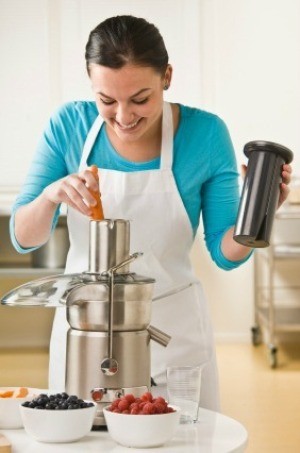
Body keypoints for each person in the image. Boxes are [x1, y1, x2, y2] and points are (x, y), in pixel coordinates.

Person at [10, 15, 292, 411]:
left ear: (167, 77)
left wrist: (257, 215)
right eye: (106, 100)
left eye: (140, 99)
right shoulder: (67, 126)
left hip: (173, 338)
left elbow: (224, 254)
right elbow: (25, 238)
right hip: (87, 336)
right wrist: (49, 196)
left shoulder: (205, 134)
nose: (124, 117)